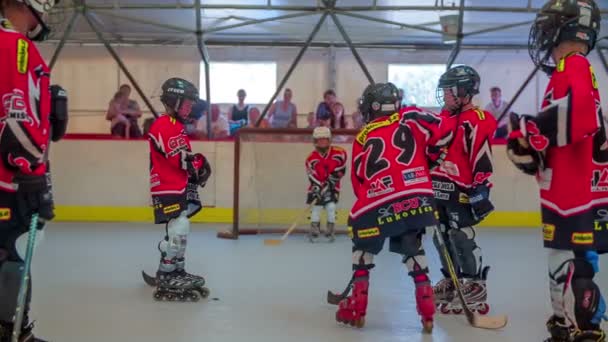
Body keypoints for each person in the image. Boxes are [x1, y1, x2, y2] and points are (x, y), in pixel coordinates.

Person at [507, 1, 606, 341]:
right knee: (567, 258)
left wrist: (531, 131)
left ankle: (585, 330)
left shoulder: (573, 64)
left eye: (550, 24)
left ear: (566, 27)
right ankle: (566, 325)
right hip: (571, 183)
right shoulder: (572, 68)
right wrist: (536, 148)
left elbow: (581, 117)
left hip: (572, 188)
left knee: (571, 262)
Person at [335, 82, 450, 332]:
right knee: (413, 248)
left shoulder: (363, 136)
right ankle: (427, 312)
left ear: (372, 107)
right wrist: (431, 158)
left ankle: (357, 305)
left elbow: (358, 180)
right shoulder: (411, 120)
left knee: (363, 244)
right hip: (417, 196)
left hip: (378, 200)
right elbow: (442, 133)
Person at [0, 0, 67, 339]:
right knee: (14, 251)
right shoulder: (15, 46)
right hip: (9, 179)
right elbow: (16, 116)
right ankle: (12, 332)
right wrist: (34, 173)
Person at [430, 66, 497, 317]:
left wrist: (480, 188)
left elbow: (482, 156)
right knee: (440, 236)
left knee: (460, 235)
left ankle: (474, 284)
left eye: (449, 91)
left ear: (465, 92)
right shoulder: (444, 117)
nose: (444, 96)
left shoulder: (476, 120)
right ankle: (452, 280)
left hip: (461, 189)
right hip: (438, 188)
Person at [147, 78, 212, 302]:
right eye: (185, 102)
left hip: (177, 184)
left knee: (181, 226)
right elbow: (177, 158)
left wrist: (196, 166)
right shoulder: (163, 124)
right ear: (173, 100)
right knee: (179, 226)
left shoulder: (177, 126)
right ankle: (166, 273)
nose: (189, 107)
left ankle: (177, 269)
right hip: (166, 185)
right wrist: (197, 163)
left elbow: (184, 159)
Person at [305, 127, 347, 243]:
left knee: (331, 207)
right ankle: (314, 229)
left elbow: (341, 170)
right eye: (319, 140)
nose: (322, 142)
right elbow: (311, 176)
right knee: (316, 208)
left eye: (324, 139)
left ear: (329, 140)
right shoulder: (310, 158)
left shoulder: (340, 153)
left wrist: (331, 182)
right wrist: (317, 188)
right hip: (316, 187)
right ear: (315, 141)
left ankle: (330, 229)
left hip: (333, 187)